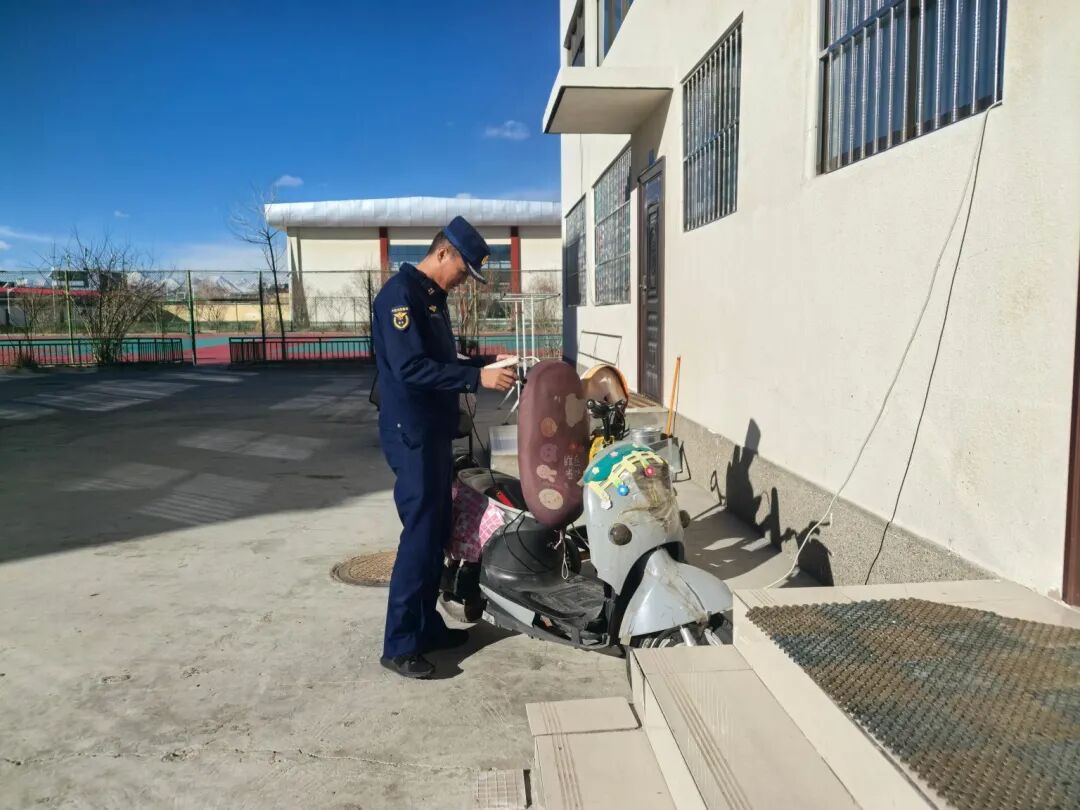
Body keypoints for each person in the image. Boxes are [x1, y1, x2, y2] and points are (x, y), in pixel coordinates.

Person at [371, 216, 516, 679]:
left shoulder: (433, 299)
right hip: (411, 432)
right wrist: (476, 379)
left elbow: (444, 360)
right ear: (442, 253)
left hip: (433, 430)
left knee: (436, 533)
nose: (463, 281)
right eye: (463, 271)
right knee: (419, 534)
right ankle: (399, 644)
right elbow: (410, 367)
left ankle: (426, 627)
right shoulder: (400, 297)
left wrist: (484, 364)